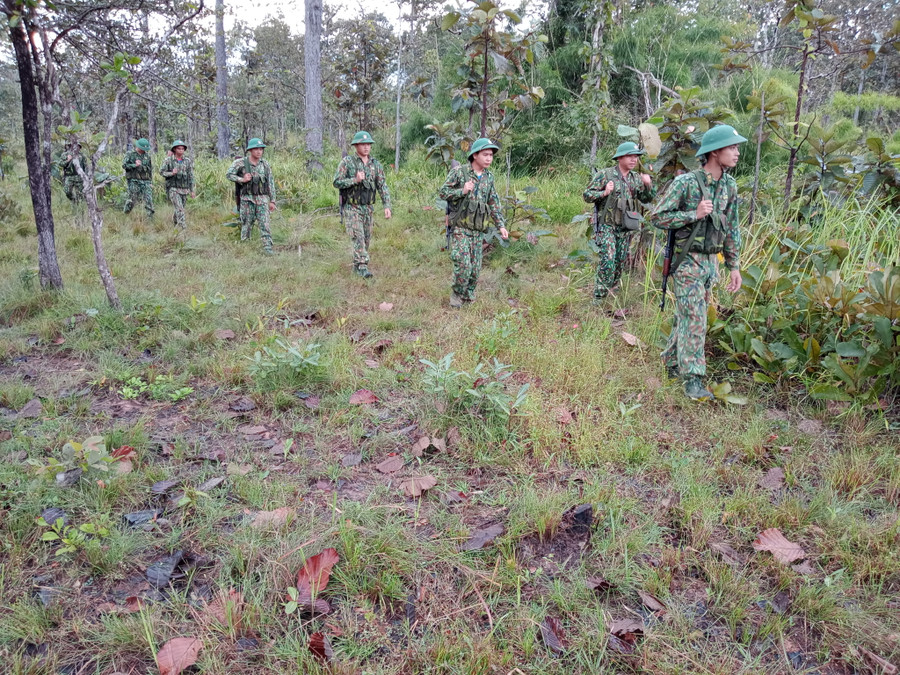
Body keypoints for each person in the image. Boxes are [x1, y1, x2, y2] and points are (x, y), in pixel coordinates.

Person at [651, 124, 747, 400]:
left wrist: (734, 266)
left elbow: (732, 228)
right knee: (696, 318)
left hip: (709, 263)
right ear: (715, 152)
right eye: (732, 147)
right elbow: (657, 217)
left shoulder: (729, 185)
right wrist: (692, 214)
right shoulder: (686, 183)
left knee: (688, 315)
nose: (737, 152)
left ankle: (670, 361)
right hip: (686, 261)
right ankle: (693, 379)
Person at [438, 137, 509, 308]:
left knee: (475, 269)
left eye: (491, 155)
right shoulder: (459, 173)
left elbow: (493, 203)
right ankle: (457, 295)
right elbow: (443, 192)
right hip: (461, 227)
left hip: (477, 229)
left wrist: (501, 225)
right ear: (475, 155)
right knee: (463, 264)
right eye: (485, 154)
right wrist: (461, 191)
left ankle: (468, 296)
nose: (489, 158)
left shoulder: (489, 178)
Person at [582, 141, 656, 304]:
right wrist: (604, 192)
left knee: (619, 261)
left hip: (625, 227)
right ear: (620, 158)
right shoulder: (605, 175)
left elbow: (646, 199)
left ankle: (612, 291)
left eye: (636, 157)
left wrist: (648, 184)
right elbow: (587, 195)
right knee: (608, 259)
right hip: (607, 225)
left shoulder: (636, 179)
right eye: (630, 156)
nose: (634, 160)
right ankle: (599, 298)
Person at [332, 131, 392, 278]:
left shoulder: (375, 164)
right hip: (352, 207)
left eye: (368, 144)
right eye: (363, 144)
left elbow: (382, 185)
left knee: (366, 238)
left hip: (368, 207)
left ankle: (357, 265)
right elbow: (337, 182)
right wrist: (354, 180)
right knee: (358, 236)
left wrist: (387, 206)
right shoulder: (347, 162)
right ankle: (363, 267)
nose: (366, 147)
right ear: (356, 146)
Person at [226, 138, 277, 254]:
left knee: (265, 224)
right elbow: (229, 174)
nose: (259, 152)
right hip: (247, 199)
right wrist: (241, 179)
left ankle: (267, 247)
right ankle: (245, 247)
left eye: (261, 149)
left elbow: (270, 182)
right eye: (256, 149)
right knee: (246, 224)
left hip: (262, 199)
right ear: (250, 150)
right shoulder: (241, 163)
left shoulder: (265, 164)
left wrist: (272, 200)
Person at [159, 140, 196, 229]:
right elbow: (161, 172)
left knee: (180, 208)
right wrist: (171, 173)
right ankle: (183, 227)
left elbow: (191, 176)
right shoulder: (168, 160)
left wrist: (192, 190)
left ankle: (175, 223)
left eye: (183, 149)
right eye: (179, 149)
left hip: (184, 189)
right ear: (175, 149)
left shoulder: (187, 161)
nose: (181, 150)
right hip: (173, 189)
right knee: (180, 209)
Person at [122, 138, 154, 216]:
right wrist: (134, 165)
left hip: (145, 181)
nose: (144, 151)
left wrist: (150, 182)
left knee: (148, 198)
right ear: (138, 147)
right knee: (132, 199)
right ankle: (126, 213)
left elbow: (150, 170)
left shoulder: (147, 156)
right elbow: (124, 165)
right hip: (133, 180)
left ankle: (150, 217)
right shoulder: (130, 154)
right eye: (143, 149)